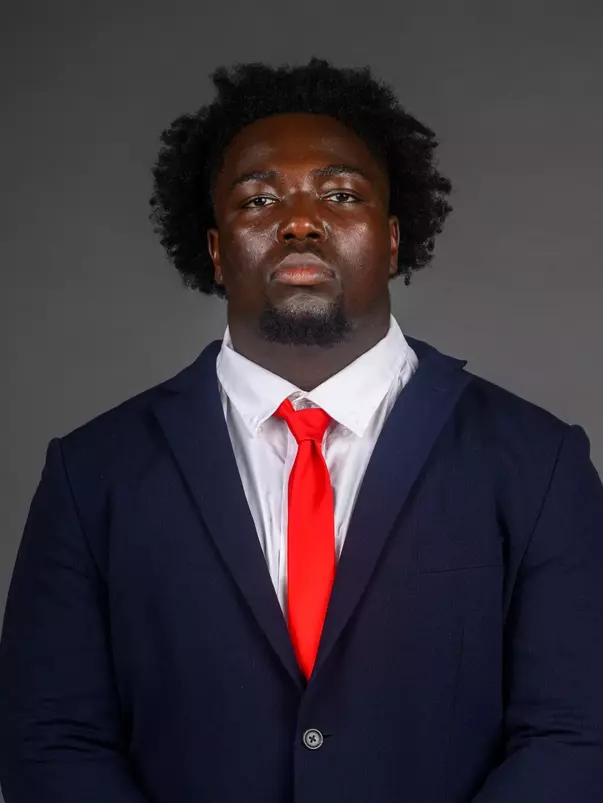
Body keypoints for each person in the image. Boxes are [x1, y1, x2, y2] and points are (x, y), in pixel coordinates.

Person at [1, 56, 602, 803]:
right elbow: (51, 739)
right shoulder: (91, 475)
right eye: (259, 200)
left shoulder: (539, 463)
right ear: (216, 251)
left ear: (391, 238)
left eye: (340, 194)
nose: (299, 222)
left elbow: (576, 733)